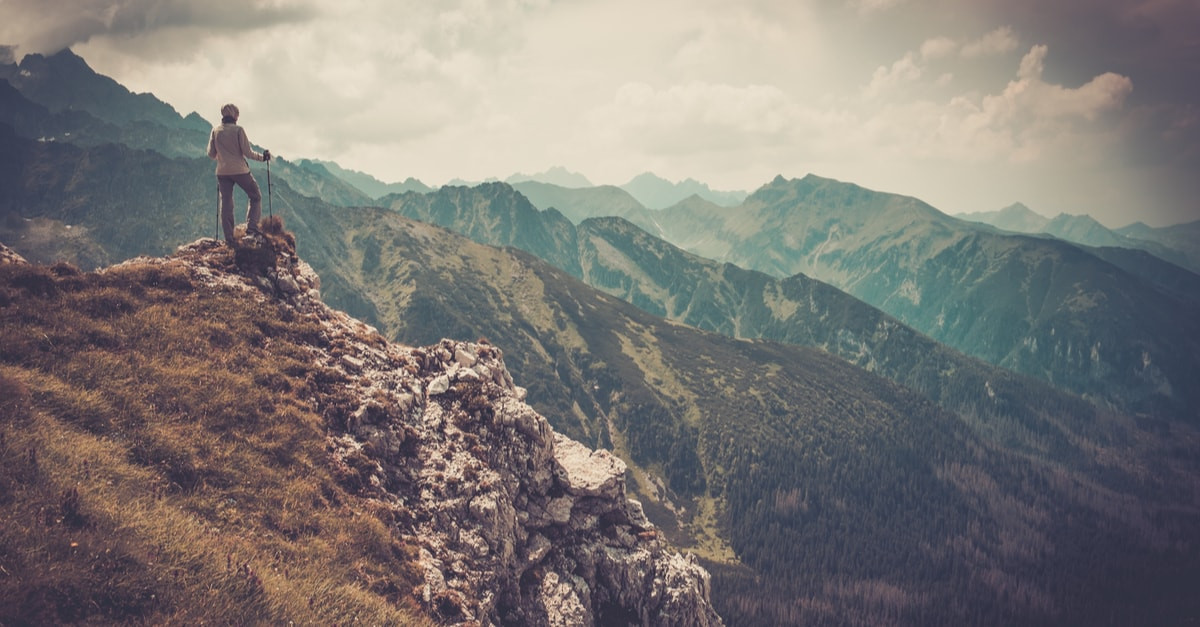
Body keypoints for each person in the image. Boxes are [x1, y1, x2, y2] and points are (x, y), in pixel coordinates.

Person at [207, 103, 271, 244]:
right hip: (240, 170)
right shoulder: (238, 130)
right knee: (255, 196)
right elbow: (248, 153)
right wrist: (263, 157)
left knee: (227, 203)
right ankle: (252, 229)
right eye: (237, 114)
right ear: (234, 115)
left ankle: (229, 238)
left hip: (222, 172)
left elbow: (211, 154)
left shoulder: (215, 131)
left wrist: (222, 156)